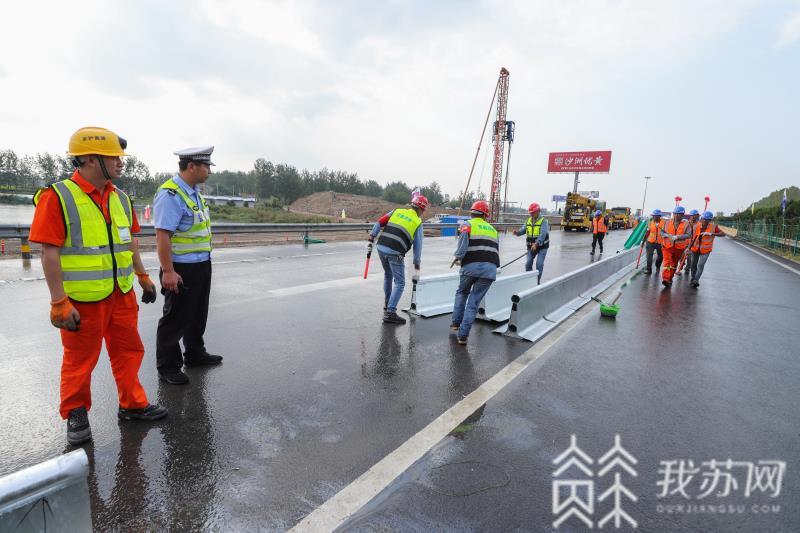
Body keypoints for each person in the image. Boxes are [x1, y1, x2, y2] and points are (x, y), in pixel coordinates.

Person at [29, 126, 167, 445]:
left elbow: (128, 242)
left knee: (129, 351)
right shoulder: (58, 196)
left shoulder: (120, 198)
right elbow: (48, 251)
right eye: (113, 157)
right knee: (80, 361)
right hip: (82, 299)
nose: (121, 163)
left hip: (120, 294)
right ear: (91, 159)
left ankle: (133, 404)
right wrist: (58, 300)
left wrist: (142, 276)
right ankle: (76, 413)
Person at [153, 146, 222, 385]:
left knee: (197, 313)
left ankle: (195, 353)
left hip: (201, 264)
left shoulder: (194, 193)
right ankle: (168, 366)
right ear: (191, 166)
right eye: (206, 166)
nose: (209, 172)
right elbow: (163, 236)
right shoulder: (170, 194)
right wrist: (168, 270)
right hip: (180, 268)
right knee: (176, 318)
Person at [368, 194, 428, 324]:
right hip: (395, 252)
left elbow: (379, 222)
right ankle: (390, 312)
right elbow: (418, 247)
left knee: (388, 274)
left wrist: (372, 237)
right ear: (421, 209)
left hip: (381, 247)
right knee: (400, 283)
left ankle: (387, 303)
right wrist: (417, 265)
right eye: (423, 210)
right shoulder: (417, 222)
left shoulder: (397, 211)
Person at [450, 200, 498, 345]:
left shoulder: (467, 224)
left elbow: (463, 245)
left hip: (470, 267)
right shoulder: (493, 230)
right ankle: (463, 336)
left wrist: (458, 257)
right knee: (473, 302)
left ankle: (455, 323)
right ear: (485, 215)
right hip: (490, 270)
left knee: (462, 292)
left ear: (471, 213)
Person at [513, 202, 549, 284]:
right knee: (528, 263)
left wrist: (536, 243)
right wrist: (517, 233)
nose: (531, 214)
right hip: (531, 247)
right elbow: (523, 230)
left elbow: (543, 234)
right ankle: (530, 281)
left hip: (542, 247)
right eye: (530, 213)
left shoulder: (544, 221)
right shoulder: (528, 220)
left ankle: (537, 282)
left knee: (539, 264)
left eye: (533, 212)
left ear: (538, 211)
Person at [688, 211, 726, 288]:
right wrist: (688, 248)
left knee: (701, 265)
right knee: (693, 265)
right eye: (704, 219)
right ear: (701, 218)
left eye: (708, 220)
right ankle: (692, 277)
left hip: (705, 251)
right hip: (694, 249)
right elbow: (691, 238)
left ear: (710, 220)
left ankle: (696, 280)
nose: (705, 221)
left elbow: (723, 234)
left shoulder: (713, 227)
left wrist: (712, 234)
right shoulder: (695, 225)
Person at [659, 206, 692, 288]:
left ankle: (670, 279)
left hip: (679, 247)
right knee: (667, 262)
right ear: (673, 214)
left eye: (679, 214)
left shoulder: (686, 224)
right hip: (667, 246)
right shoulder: (667, 222)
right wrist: (667, 235)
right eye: (676, 214)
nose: (677, 216)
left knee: (674, 264)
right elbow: (662, 233)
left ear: (682, 215)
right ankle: (665, 278)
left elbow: (689, 235)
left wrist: (677, 237)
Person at [676, 209, 701, 276]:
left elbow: (696, 236)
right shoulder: (686, 223)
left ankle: (687, 268)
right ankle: (680, 268)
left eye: (694, 215)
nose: (693, 217)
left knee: (689, 258)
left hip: (692, 244)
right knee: (682, 257)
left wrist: (690, 246)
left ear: (697, 216)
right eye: (691, 215)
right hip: (684, 243)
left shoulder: (699, 225)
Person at [641, 209, 665, 275]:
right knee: (649, 256)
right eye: (653, 216)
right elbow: (647, 232)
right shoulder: (650, 222)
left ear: (659, 216)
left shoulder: (664, 223)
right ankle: (649, 270)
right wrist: (643, 241)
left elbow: (667, 233)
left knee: (660, 257)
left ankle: (658, 266)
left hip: (660, 243)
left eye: (656, 216)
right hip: (650, 241)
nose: (654, 217)